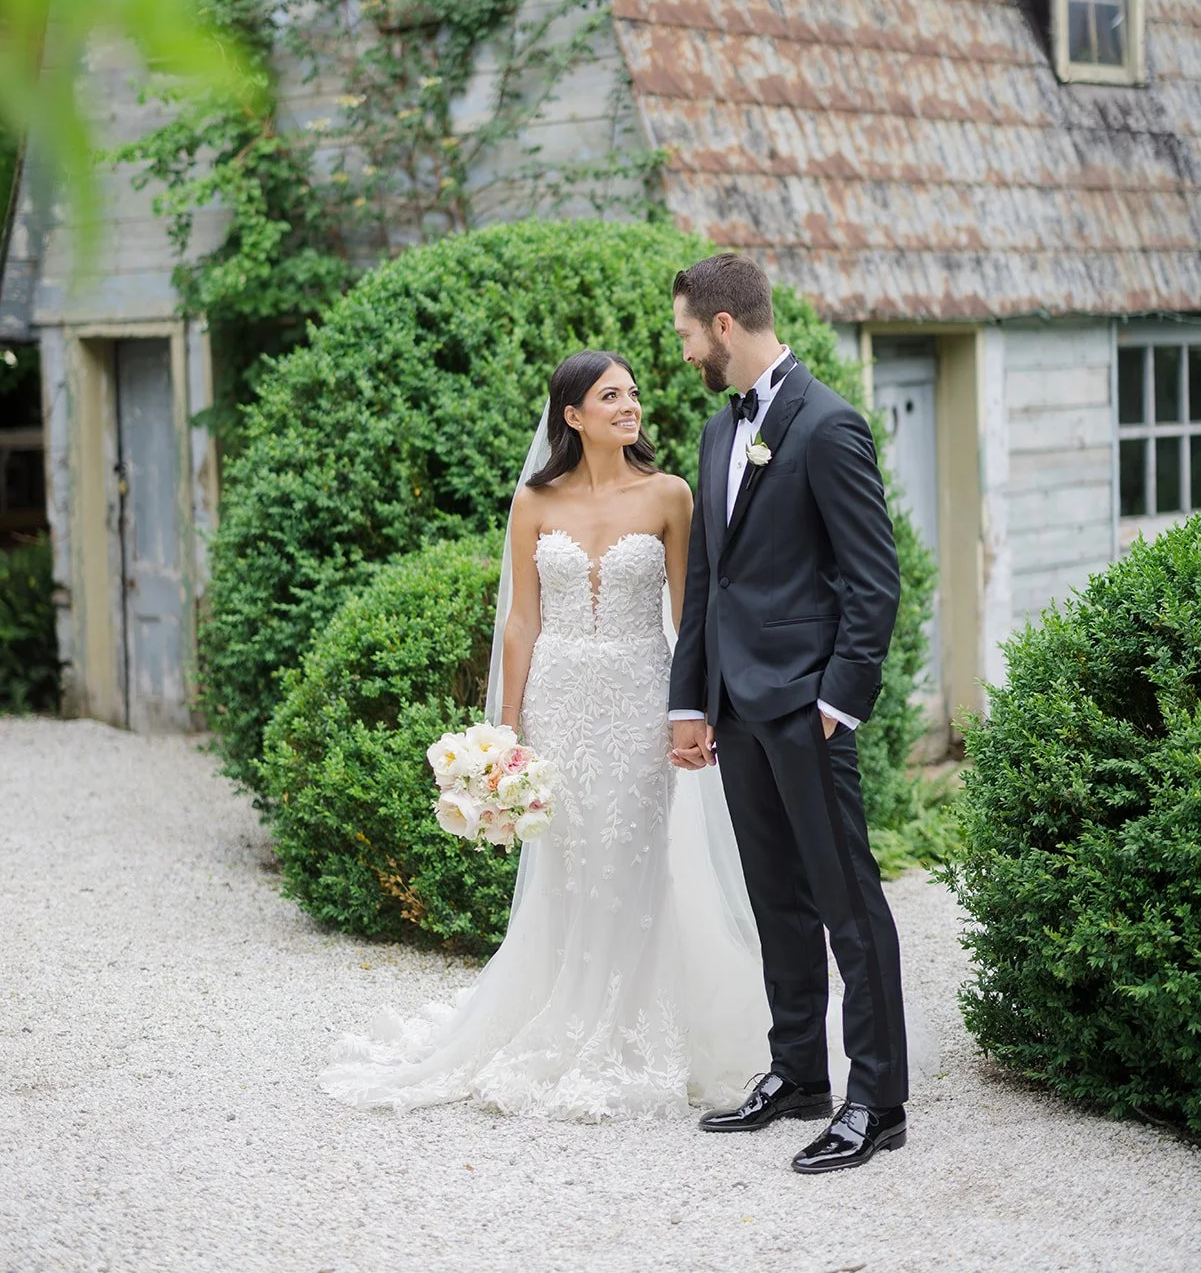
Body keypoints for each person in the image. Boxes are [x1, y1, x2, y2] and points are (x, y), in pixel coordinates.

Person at [320, 349, 780, 1119]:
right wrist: (506, 732)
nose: (629, 406)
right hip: (558, 704)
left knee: (633, 854)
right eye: (610, 396)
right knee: (567, 860)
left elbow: (687, 616)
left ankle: (632, 1028)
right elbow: (522, 619)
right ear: (572, 416)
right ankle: (556, 1008)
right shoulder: (533, 503)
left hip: (639, 696)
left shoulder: (669, 496)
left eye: (632, 394)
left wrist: (694, 707)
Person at [668, 252, 910, 1174]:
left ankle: (877, 1101)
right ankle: (799, 1072)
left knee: (847, 903)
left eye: (688, 333)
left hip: (806, 707)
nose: (684, 349)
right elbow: (709, 585)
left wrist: (839, 701)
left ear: (723, 326)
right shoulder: (715, 431)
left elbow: (872, 582)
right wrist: (691, 701)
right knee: (775, 900)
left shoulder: (827, 426)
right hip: (735, 707)